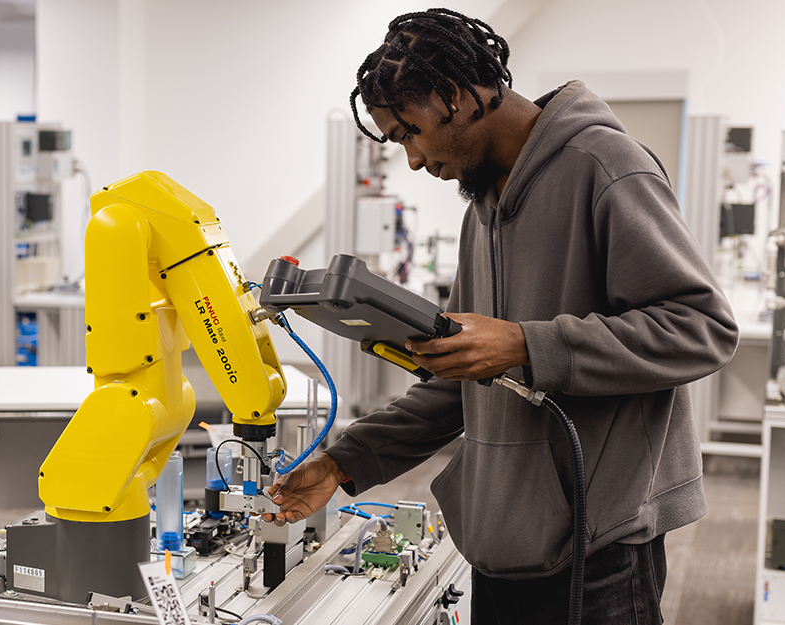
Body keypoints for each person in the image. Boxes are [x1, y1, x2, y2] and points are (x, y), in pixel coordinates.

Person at [263, 9, 738, 623]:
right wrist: (345, 460)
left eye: (409, 132)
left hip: (599, 546)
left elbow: (701, 327)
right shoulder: (481, 210)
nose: (410, 159)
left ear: (455, 97)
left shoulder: (605, 166)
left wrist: (525, 345)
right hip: (504, 541)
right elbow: (463, 382)